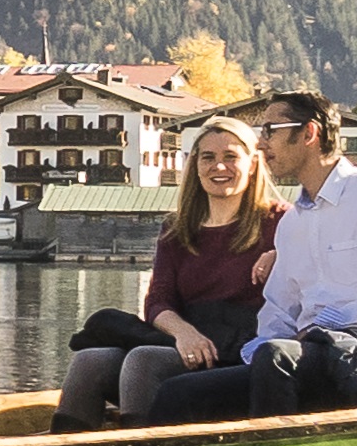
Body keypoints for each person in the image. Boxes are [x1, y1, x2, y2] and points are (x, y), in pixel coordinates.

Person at [134, 94, 357, 425]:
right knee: (179, 391)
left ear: (309, 134)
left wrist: (315, 331)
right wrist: (249, 352)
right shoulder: (293, 223)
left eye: (271, 130)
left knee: (276, 356)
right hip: (310, 356)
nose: (261, 143)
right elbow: (278, 311)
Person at [60, 117, 281, 429]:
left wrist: (281, 255)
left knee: (143, 360)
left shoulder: (280, 222)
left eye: (231, 157)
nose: (219, 167)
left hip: (240, 353)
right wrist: (184, 334)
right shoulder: (177, 230)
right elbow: (158, 302)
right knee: (90, 360)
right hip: (188, 343)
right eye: (208, 158)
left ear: (253, 164)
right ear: (194, 165)